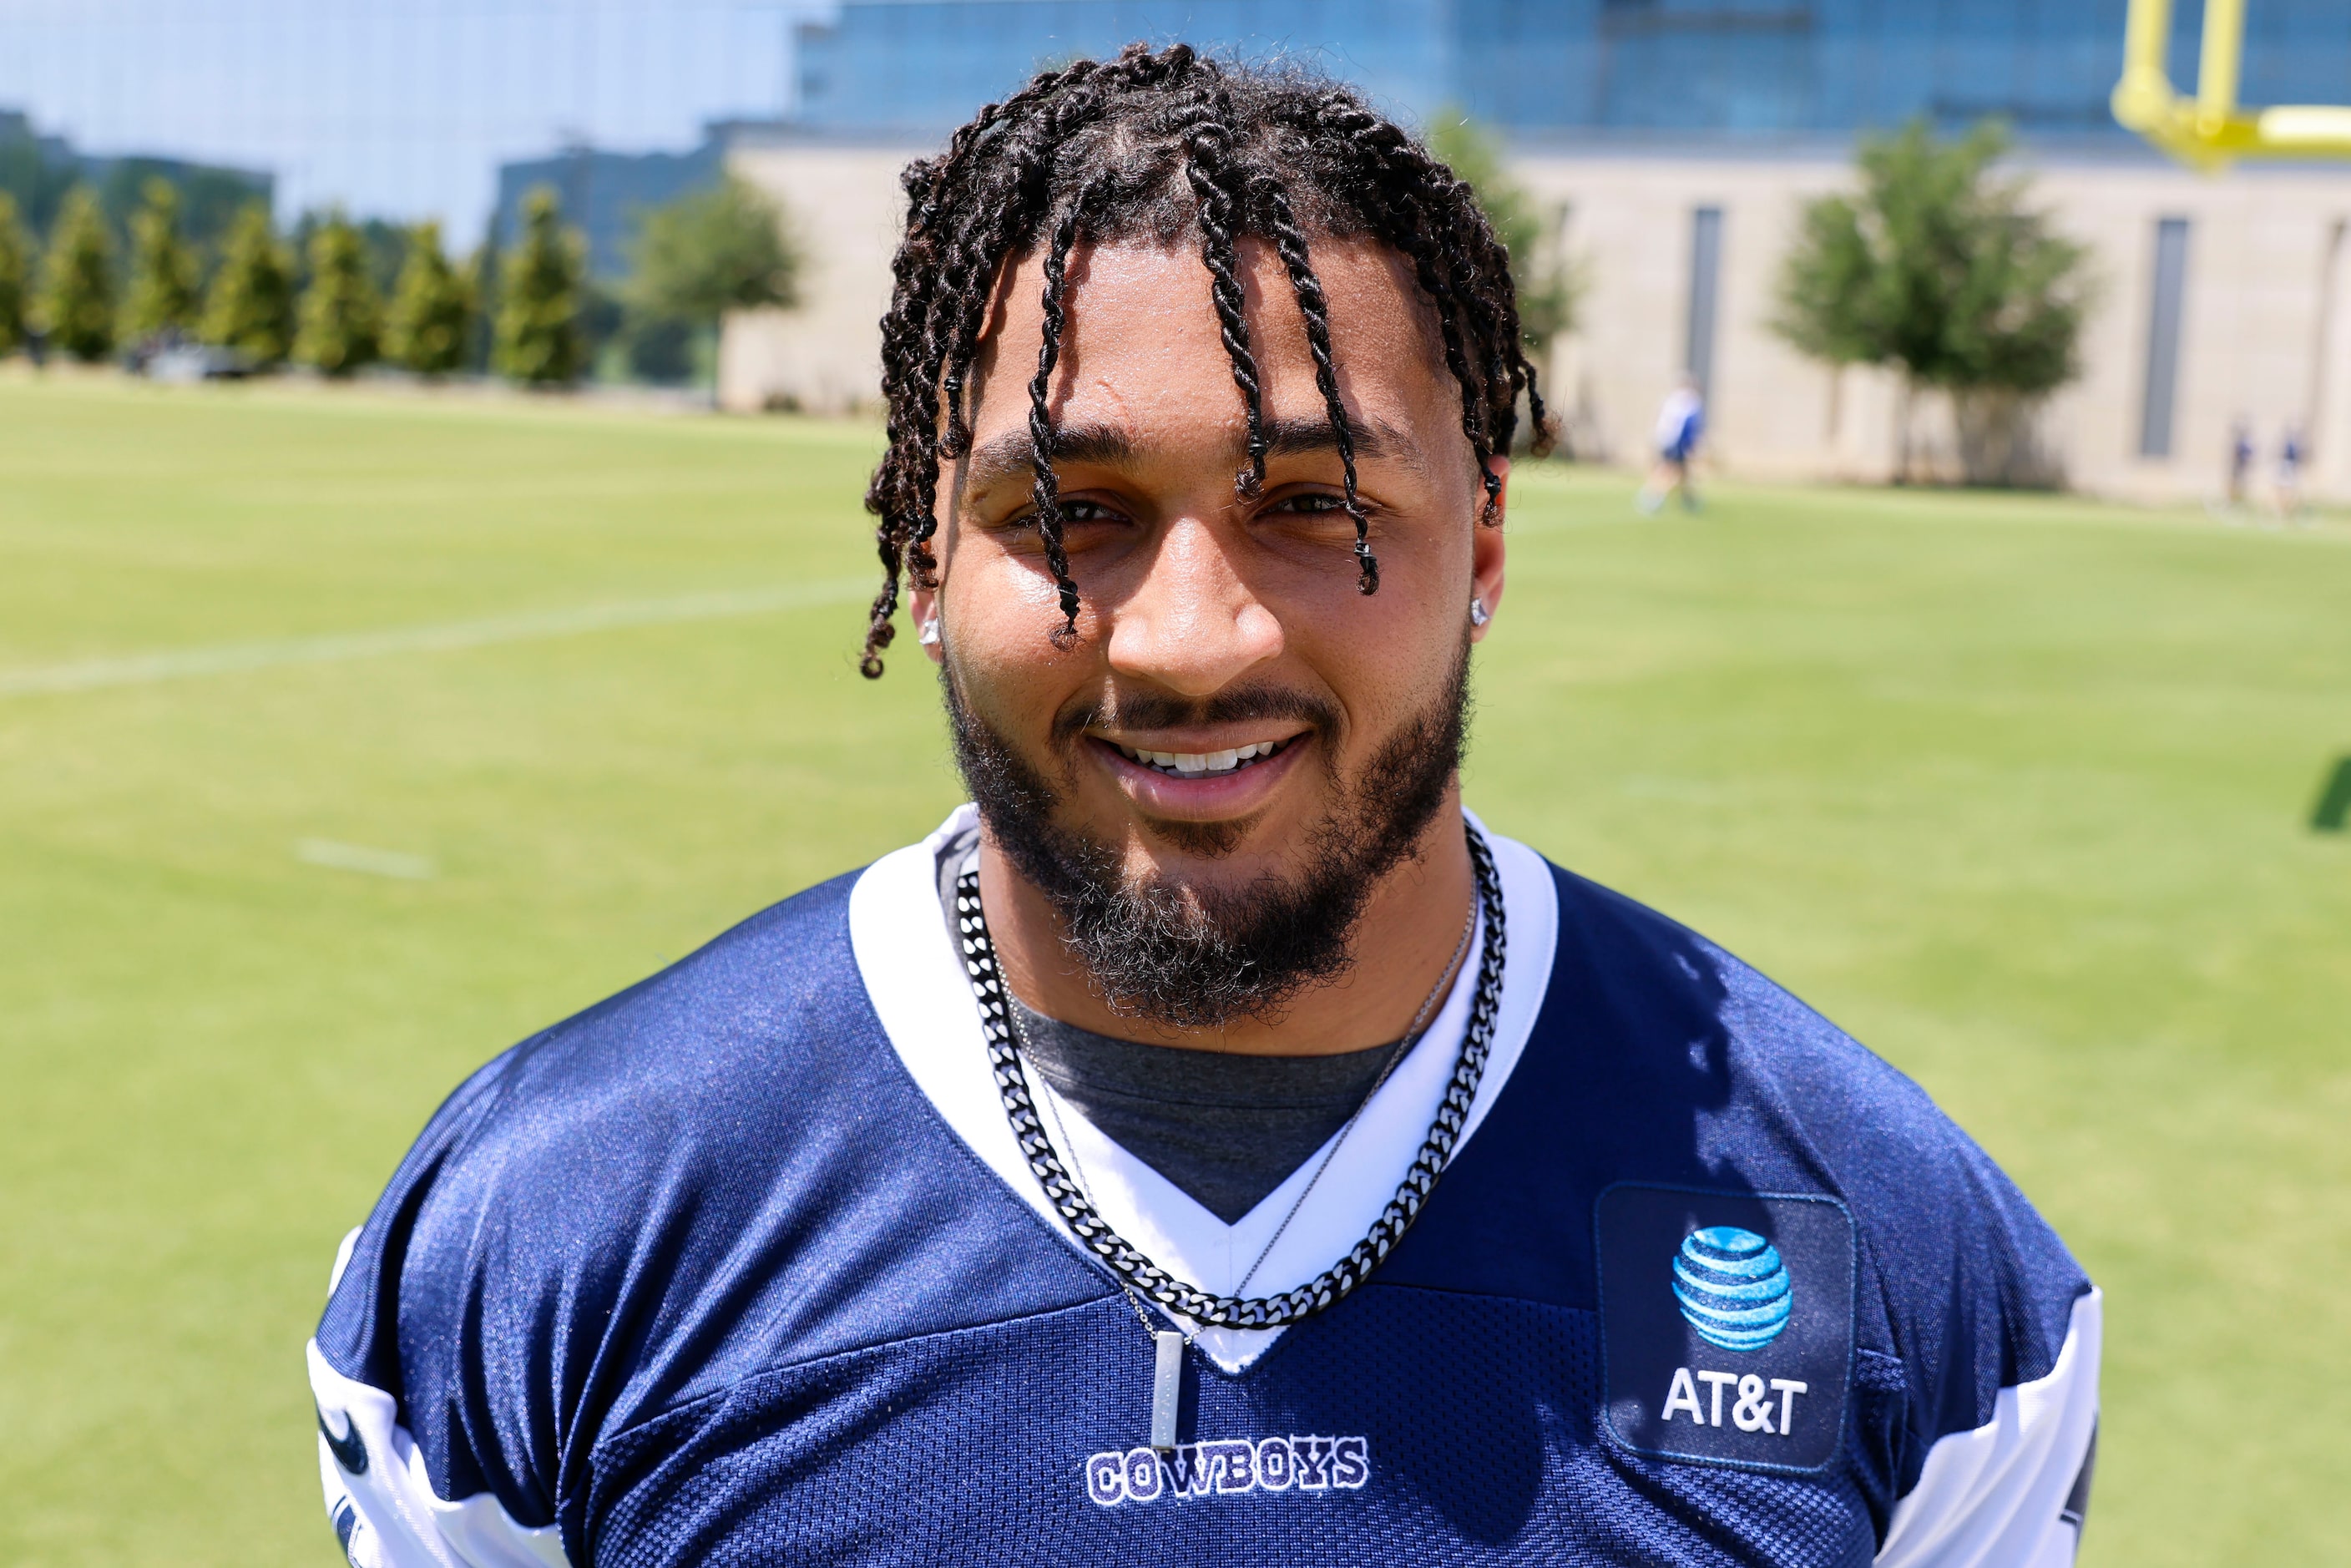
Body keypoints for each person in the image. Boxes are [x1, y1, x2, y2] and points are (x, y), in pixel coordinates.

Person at [310, 46, 2097, 1566]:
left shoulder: (1895, 1257)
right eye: (1066, 511)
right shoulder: (546, 1238)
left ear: (1480, 543)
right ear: (926, 555)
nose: (1188, 639)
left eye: (1316, 502)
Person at [1638, 373, 1706, 513]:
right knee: (1670, 471)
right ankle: (1652, 498)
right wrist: (1689, 446)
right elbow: (1689, 426)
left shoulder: (1671, 399)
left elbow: (1659, 418)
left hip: (1663, 439)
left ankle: (1688, 500)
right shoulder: (1691, 402)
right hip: (1676, 442)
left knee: (1682, 472)